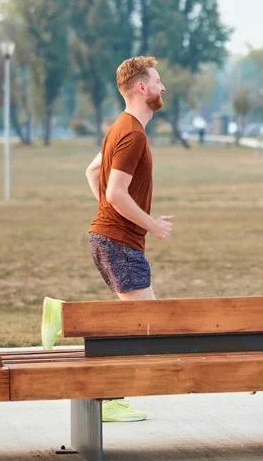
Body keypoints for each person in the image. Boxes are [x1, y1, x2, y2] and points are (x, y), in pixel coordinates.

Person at [41, 56, 174, 422]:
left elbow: (93, 170)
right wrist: (150, 224)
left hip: (108, 237)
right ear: (141, 88)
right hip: (118, 243)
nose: (163, 88)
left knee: (139, 321)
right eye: (158, 81)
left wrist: (109, 217)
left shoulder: (121, 127)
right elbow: (115, 192)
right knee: (145, 324)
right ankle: (110, 396)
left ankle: (65, 317)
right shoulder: (132, 134)